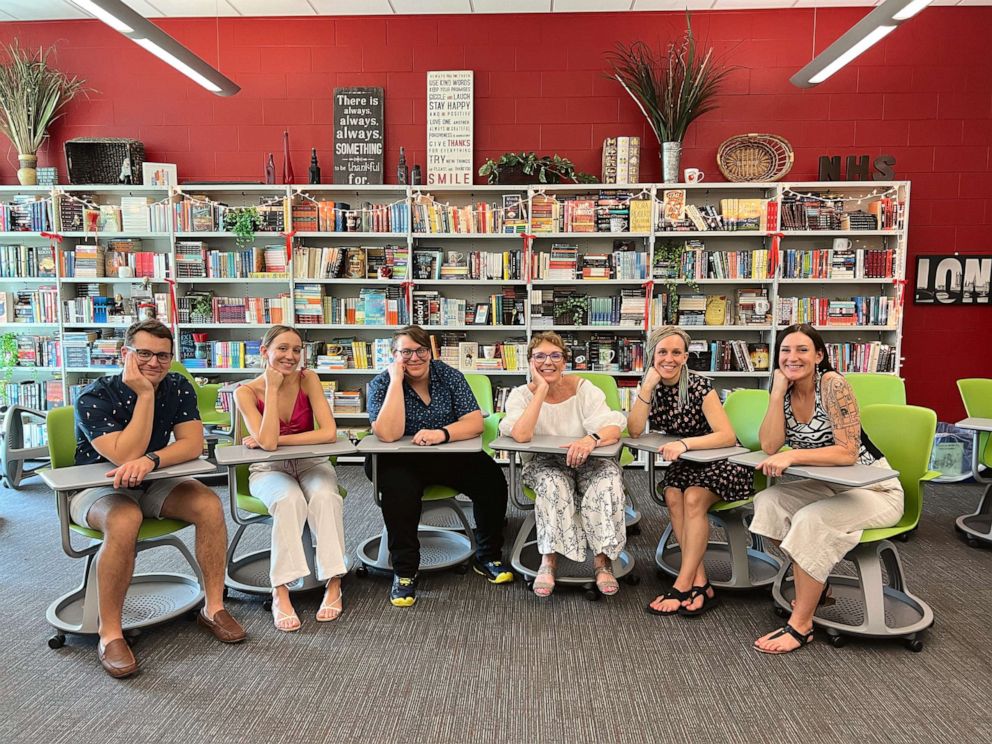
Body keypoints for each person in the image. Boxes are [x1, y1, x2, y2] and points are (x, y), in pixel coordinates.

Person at [71, 320, 245, 679]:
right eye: (144, 354)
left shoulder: (178, 385)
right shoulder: (93, 396)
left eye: (163, 356)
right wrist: (146, 395)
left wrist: (152, 460)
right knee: (124, 519)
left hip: (152, 479)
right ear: (126, 354)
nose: (154, 363)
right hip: (97, 487)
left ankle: (213, 607)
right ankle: (111, 633)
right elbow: (123, 455)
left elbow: (192, 444)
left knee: (208, 504)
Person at [750, 323, 904, 654]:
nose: (793, 357)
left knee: (811, 521)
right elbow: (770, 443)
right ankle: (817, 582)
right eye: (786, 351)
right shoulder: (786, 392)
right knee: (768, 502)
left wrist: (795, 455)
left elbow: (847, 452)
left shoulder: (833, 385)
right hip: (831, 486)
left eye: (802, 350)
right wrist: (776, 393)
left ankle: (801, 624)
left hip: (875, 489)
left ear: (819, 355)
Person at [365, 325, 513, 607]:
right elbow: (387, 434)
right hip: (397, 459)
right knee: (400, 494)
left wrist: (441, 434)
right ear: (394, 355)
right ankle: (405, 572)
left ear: (430, 352)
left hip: (446, 452)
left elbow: (474, 423)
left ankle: (488, 556)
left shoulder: (448, 375)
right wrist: (396, 382)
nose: (415, 357)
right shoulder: (381, 383)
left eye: (421, 350)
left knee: (491, 480)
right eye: (405, 352)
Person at [627, 325, 753, 616]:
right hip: (689, 464)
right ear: (652, 356)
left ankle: (682, 585)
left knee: (694, 498)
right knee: (673, 495)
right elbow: (634, 431)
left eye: (676, 352)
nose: (668, 359)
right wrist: (646, 388)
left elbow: (726, 436)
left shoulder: (700, 386)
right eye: (662, 352)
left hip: (723, 461)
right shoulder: (651, 387)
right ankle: (702, 583)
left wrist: (684, 444)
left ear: (685, 357)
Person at [234, 325, 346, 632]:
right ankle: (280, 590)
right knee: (288, 500)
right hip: (268, 469)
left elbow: (328, 433)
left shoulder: (308, 379)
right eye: (282, 348)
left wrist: (277, 440)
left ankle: (334, 581)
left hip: (311, 462)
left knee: (326, 497)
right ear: (264, 351)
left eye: (296, 350)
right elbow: (267, 446)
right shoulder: (244, 392)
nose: (291, 356)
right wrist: (271, 388)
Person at [500, 332, 628, 597]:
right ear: (530, 362)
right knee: (553, 484)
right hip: (544, 463)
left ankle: (602, 563)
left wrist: (590, 439)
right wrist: (542, 390)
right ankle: (549, 560)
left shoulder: (583, 389)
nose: (548, 362)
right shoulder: (520, 395)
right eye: (540, 357)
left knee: (608, 481)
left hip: (588, 458)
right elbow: (521, 434)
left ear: (565, 360)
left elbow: (613, 426)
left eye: (555, 355)